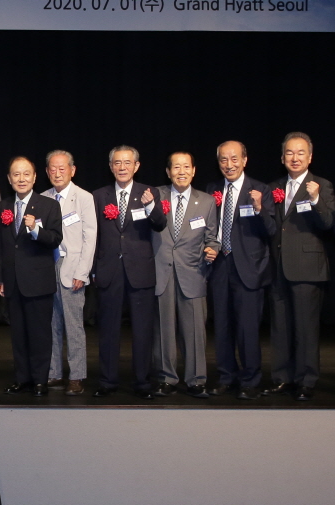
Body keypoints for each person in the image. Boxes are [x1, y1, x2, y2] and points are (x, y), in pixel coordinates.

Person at [267, 132, 335, 400]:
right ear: (282, 157)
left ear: (310, 157)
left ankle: (306, 380)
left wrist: (316, 199)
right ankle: (282, 378)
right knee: (280, 326)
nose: (294, 158)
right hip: (278, 266)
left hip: (307, 267)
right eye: (289, 153)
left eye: (300, 153)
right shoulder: (274, 186)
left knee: (306, 328)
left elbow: (328, 223)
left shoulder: (321, 185)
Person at [207, 140, 277, 399]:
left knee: (248, 329)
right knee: (222, 326)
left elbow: (271, 230)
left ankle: (250, 380)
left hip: (249, 269)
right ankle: (226, 377)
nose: (229, 164)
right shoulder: (212, 190)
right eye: (223, 159)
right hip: (219, 266)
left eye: (234, 159)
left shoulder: (260, 189)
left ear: (245, 160)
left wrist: (259, 208)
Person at [148, 152, 221, 398]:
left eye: (186, 167)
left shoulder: (207, 201)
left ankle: (196, 379)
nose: (181, 172)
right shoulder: (155, 195)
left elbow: (212, 237)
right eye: (176, 167)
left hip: (193, 271)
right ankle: (166, 378)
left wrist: (212, 249)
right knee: (163, 329)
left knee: (195, 331)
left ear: (194, 170)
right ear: (168, 172)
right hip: (162, 271)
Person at [90, 145, 159, 398]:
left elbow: (160, 224)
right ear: (111, 167)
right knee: (108, 330)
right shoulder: (98, 196)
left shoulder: (149, 193)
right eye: (117, 163)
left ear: (136, 166)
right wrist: (94, 269)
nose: (122, 167)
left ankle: (142, 383)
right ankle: (107, 381)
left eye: (127, 163)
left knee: (142, 330)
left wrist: (151, 206)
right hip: (109, 271)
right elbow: (94, 235)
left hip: (140, 271)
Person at [0, 157, 63, 396]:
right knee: (18, 334)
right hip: (12, 281)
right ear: (9, 179)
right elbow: (0, 245)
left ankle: (40, 381)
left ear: (34, 177)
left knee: (40, 333)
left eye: (26, 174)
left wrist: (35, 229)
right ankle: (22, 378)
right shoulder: (2, 207)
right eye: (16, 174)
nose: (21, 179)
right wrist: (0, 278)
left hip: (38, 282)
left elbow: (55, 239)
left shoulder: (49, 205)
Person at [42, 150, 97, 395]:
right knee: (51, 324)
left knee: (73, 326)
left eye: (62, 168)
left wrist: (82, 272)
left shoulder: (83, 197)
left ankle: (76, 376)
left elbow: (90, 238)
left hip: (72, 268)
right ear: (47, 172)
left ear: (72, 170)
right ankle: (54, 373)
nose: (57, 173)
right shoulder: (42, 198)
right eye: (52, 169)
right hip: (47, 268)